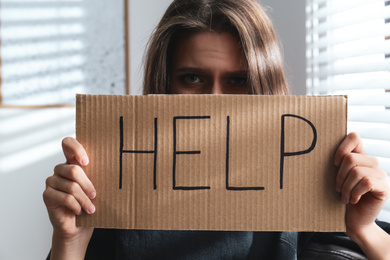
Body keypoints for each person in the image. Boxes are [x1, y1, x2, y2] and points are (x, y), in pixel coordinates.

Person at [43, 0, 390, 259]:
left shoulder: (306, 174)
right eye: (192, 78)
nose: (214, 98)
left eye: (239, 80)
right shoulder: (113, 181)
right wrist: (69, 241)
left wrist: (364, 230)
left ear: (262, 84)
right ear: (164, 84)